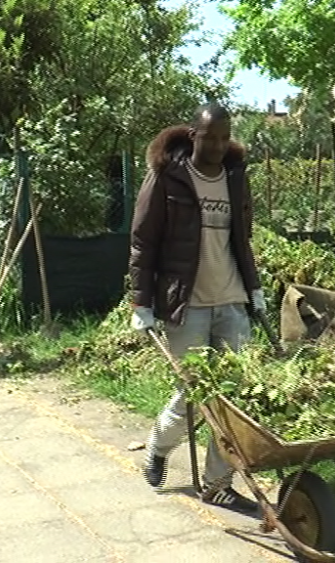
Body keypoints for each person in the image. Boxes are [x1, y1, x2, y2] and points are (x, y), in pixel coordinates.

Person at [128, 102, 267, 513]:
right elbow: (143, 242)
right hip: (185, 304)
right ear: (194, 135)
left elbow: (242, 240)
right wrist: (141, 301)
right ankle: (160, 443)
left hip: (231, 300)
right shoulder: (168, 176)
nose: (219, 146)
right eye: (211, 138)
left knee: (232, 397)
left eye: (226, 138)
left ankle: (217, 483)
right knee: (194, 394)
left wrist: (254, 289)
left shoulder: (236, 179)